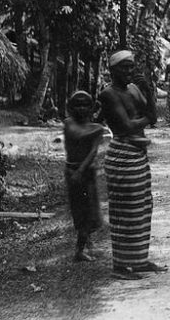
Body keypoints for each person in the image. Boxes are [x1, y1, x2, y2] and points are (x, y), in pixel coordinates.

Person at [98, 50, 167, 280]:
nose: (129, 71)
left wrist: (147, 92)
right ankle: (120, 266)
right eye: (124, 67)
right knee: (124, 211)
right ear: (112, 70)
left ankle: (138, 261)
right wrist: (147, 116)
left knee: (142, 208)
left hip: (137, 154)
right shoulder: (108, 94)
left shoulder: (135, 89)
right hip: (122, 154)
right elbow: (127, 126)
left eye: (131, 67)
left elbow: (152, 117)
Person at [63, 91, 106, 262]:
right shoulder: (69, 124)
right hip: (73, 172)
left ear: (91, 108)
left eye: (85, 105)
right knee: (80, 211)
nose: (81, 108)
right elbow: (77, 134)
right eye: (77, 105)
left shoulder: (96, 129)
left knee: (91, 211)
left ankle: (84, 243)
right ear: (71, 108)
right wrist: (98, 126)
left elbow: (93, 152)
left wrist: (81, 170)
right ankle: (80, 249)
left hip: (86, 172)